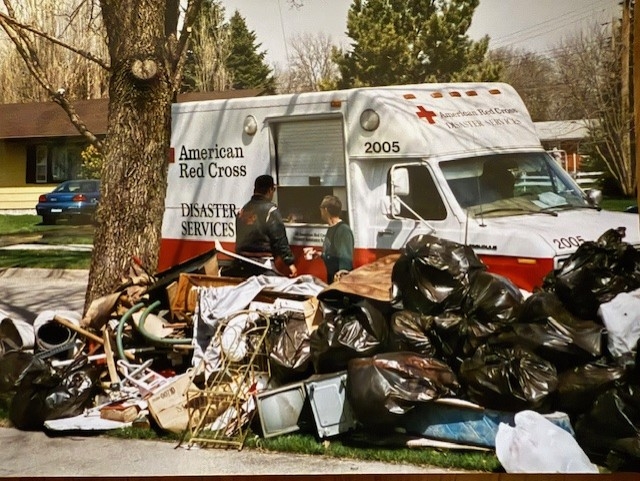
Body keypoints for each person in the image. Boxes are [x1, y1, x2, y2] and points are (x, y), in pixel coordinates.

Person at [227, 174, 297, 278]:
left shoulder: (243, 210)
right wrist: (290, 263)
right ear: (270, 190)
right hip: (263, 265)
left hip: (241, 264)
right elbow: (279, 239)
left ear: (255, 189)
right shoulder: (271, 210)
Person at [306, 195, 354, 283]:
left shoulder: (343, 230)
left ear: (325, 210)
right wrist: (319, 254)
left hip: (339, 282)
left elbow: (345, 259)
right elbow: (333, 254)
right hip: (331, 278)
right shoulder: (331, 228)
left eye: (320, 208)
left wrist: (341, 280)